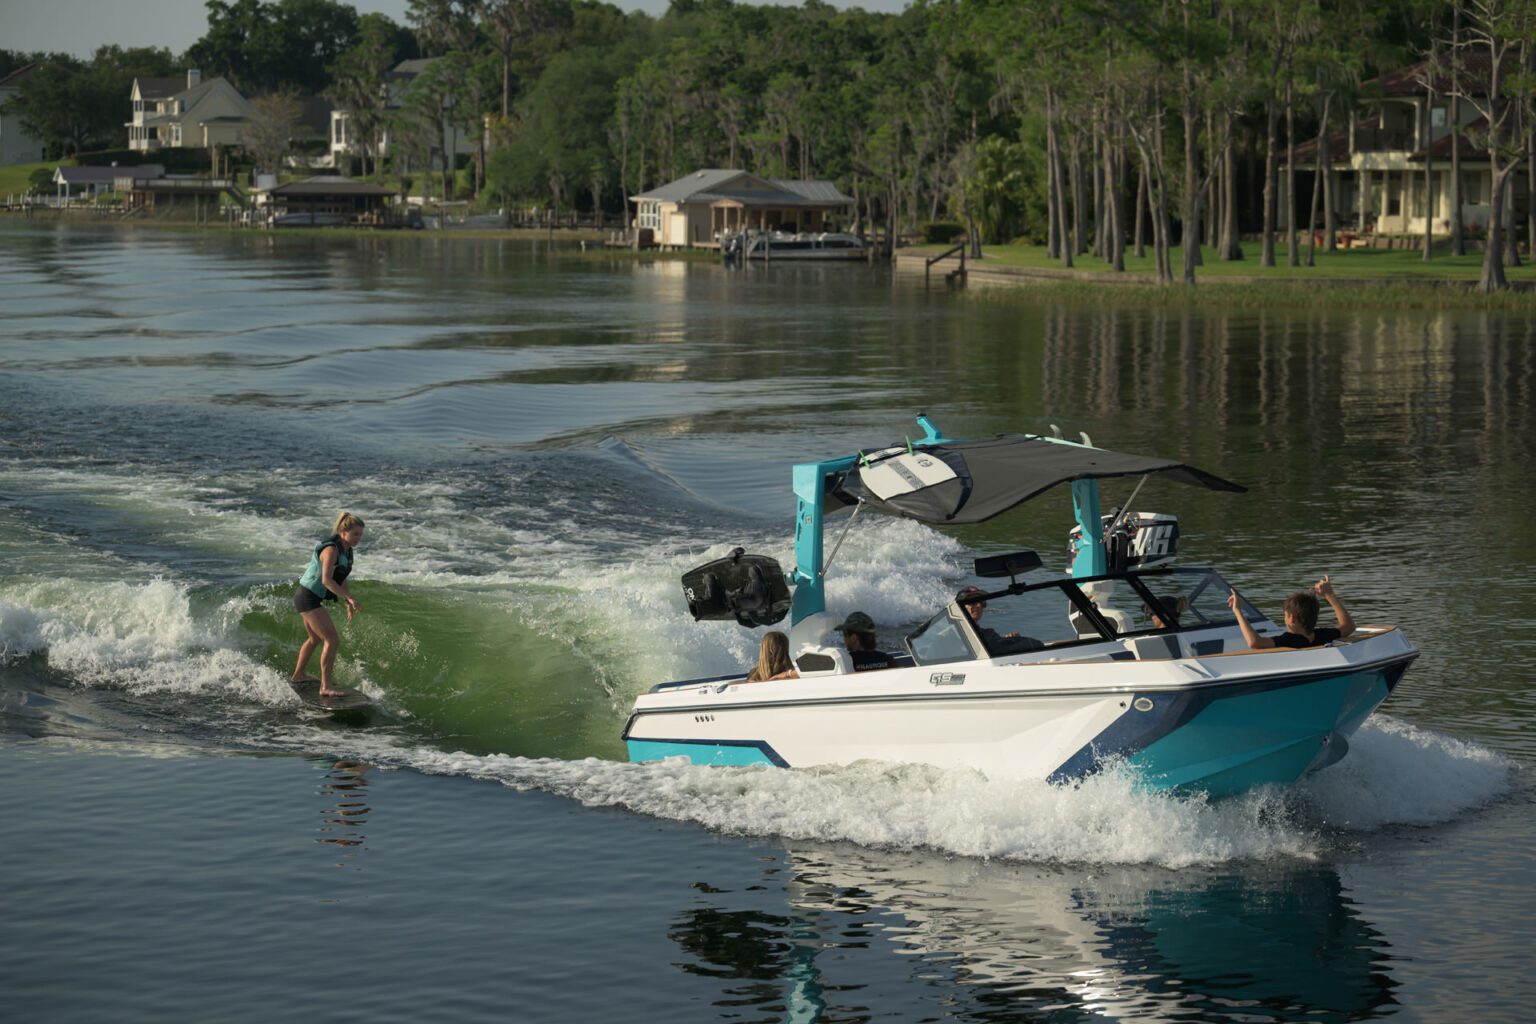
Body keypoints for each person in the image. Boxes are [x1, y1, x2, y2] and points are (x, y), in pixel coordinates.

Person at [292, 512, 365, 696]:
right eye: (355, 534)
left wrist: (347, 598)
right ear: (343, 531)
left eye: (360, 535)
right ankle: (326, 687)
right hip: (307, 597)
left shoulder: (347, 551)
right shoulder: (331, 549)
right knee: (332, 640)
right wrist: (349, 598)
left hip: (309, 597)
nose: (358, 538)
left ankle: (298, 675)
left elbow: (340, 578)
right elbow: (326, 580)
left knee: (315, 639)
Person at [1226, 575, 1355, 649]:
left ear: (1291, 618)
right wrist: (1329, 595)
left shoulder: (1289, 641)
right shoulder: (1322, 635)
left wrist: (1237, 610)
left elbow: (1255, 642)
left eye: (1285, 614)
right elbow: (1349, 626)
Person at [957, 586, 1043, 653]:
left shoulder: (989, 634)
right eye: (973, 601)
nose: (979, 606)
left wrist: (1007, 640)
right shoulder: (951, 635)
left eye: (982, 602)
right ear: (959, 607)